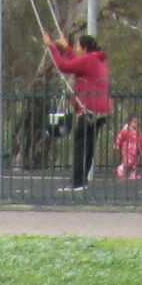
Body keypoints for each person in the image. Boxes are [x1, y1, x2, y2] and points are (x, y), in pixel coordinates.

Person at [45, 32, 110, 190]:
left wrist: (51, 47)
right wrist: (66, 48)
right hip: (101, 109)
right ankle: (82, 181)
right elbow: (76, 62)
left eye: (77, 46)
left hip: (89, 109)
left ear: (83, 48)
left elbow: (64, 66)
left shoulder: (89, 60)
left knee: (80, 144)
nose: (75, 49)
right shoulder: (95, 60)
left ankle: (77, 181)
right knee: (88, 145)